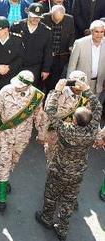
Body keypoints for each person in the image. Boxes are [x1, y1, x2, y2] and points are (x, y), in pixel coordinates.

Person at [35, 78, 102, 240]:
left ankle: (46, 218)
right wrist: (87, 89)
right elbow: (98, 107)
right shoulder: (92, 130)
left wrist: (57, 90)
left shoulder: (66, 130)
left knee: (51, 196)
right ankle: (62, 228)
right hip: (77, 173)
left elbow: (50, 111)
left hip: (58, 170)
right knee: (69, 200)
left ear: (73, 120)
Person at [0, 70, 47, 212]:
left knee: (13, 160)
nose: (18, 87)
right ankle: (2, 195)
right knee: (4, 160)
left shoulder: (37, 96)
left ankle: (3, 177)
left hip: (22, 136)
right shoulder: (5, 90)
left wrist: (42, 134)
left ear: (29, 86)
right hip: (4, 133)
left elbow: (39, 116)